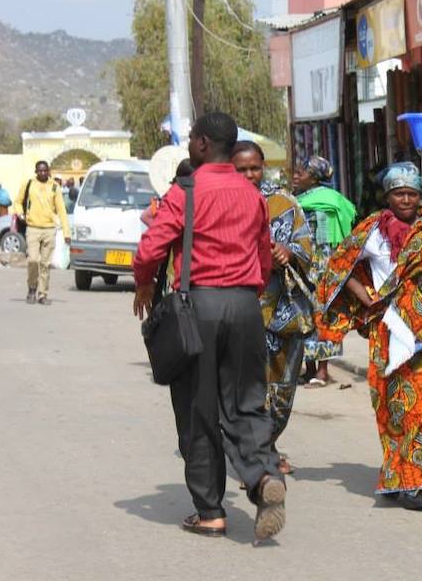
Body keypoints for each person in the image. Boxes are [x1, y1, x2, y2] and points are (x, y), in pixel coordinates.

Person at [132, 112, 286, 541]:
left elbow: (150, 248)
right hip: (245, 305)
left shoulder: (186, 192)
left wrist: (144, 284)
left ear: (200, 144)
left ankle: (211, 512)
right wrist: (246, 298)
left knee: (198, 409)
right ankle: (261, 477)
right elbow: (263, 256)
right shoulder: (253, 193)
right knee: (246, 403)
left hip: (198, 305)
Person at [314, 162, 422, 514]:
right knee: (395, 411)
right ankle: (398, 477)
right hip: (387, 333)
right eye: (398, 193)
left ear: (421, 195)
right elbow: (337, 268)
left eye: (411, 193)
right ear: (387, 196)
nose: (405, 199)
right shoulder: (370, 231)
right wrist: (368, 299)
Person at [232, 140, 313, 476]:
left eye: (255, 168)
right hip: (239, 311)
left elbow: (308, 250)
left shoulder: (284, 203)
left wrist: (288, 252)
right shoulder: (222, 203)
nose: (250, 175)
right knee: (249, 388)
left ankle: (266, 444)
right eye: (242, 169)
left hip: (283, 313)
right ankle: (256, 458)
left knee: (281, 392)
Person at [292, 155, 356, 388]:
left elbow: (325, 241)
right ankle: (308, 369)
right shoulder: (298, 199)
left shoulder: (326, 202)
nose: (296, 176)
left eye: (302, 172)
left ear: (315, 177)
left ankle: (321, 371)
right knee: (303, 319)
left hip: (321, 267)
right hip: (300, 266)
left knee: (322, 318)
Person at [14, 161, 71, 305]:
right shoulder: (29, 184)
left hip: (49, 229)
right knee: (33, 260)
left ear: (49, 171)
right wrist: (20, 214)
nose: (43, 173)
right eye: (40, 171)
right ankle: (32, 288)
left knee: (45, 264)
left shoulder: (54, 187)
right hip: (32, 228)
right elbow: (18, 201)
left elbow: (62, 210)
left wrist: (66, 232)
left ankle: (42, 294)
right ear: (36, 172)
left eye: (45, 171)